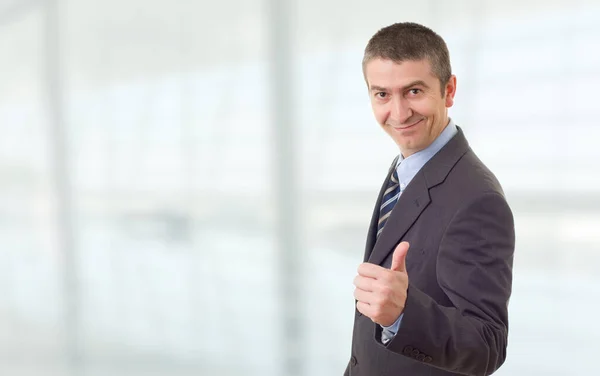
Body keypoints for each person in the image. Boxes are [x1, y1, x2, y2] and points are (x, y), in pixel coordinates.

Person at [344, 22, 515, 376]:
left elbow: (487, 345)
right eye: (382, 95)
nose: (399, 113)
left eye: (414, 91)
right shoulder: (407, 168)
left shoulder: (477, 199)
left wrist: (404, 313)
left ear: (449, 90)